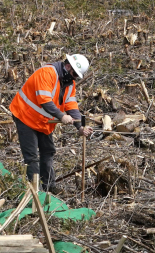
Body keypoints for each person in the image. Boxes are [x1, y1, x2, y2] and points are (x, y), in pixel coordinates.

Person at [9, 54, 93, 190]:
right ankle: (36, 192)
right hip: (25, 115)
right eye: (75, 74)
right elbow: (45, 101)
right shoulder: (47, 73)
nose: (75, 78)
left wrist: (80, 127)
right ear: (68, 67)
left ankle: (49, 187)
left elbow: (71, 105)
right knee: (31, 156)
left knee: (48, 151)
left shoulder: (69, 84)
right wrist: (61, 116)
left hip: (43, 121)